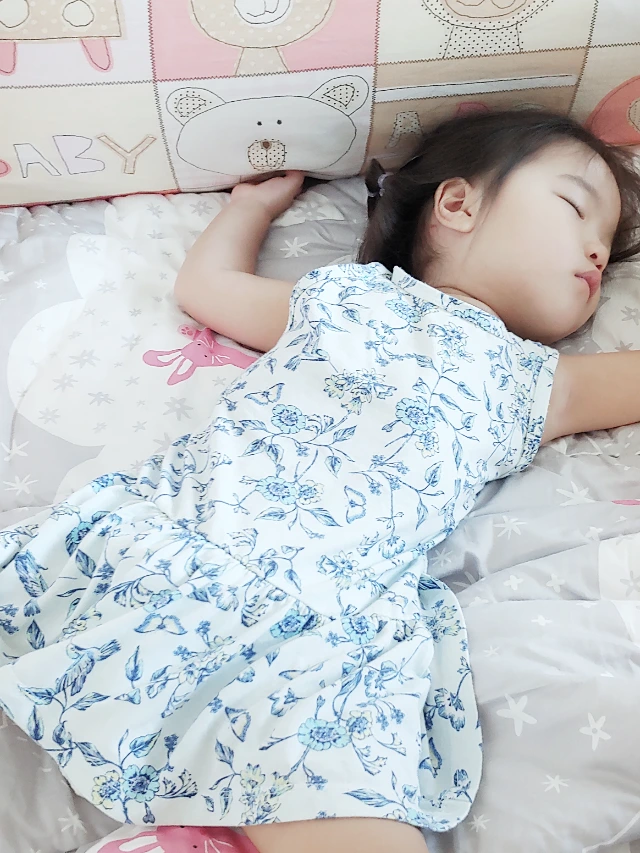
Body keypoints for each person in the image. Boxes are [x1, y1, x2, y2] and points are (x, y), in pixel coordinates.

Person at [1, 109, 640, 853]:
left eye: (609, 248)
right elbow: (209, 286)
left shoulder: (536, 380)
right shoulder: (340, 300)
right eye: (575, 208)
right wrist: (250, 207)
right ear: (458, 204)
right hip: (188, 533)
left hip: (324, 620)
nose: (598, 251)